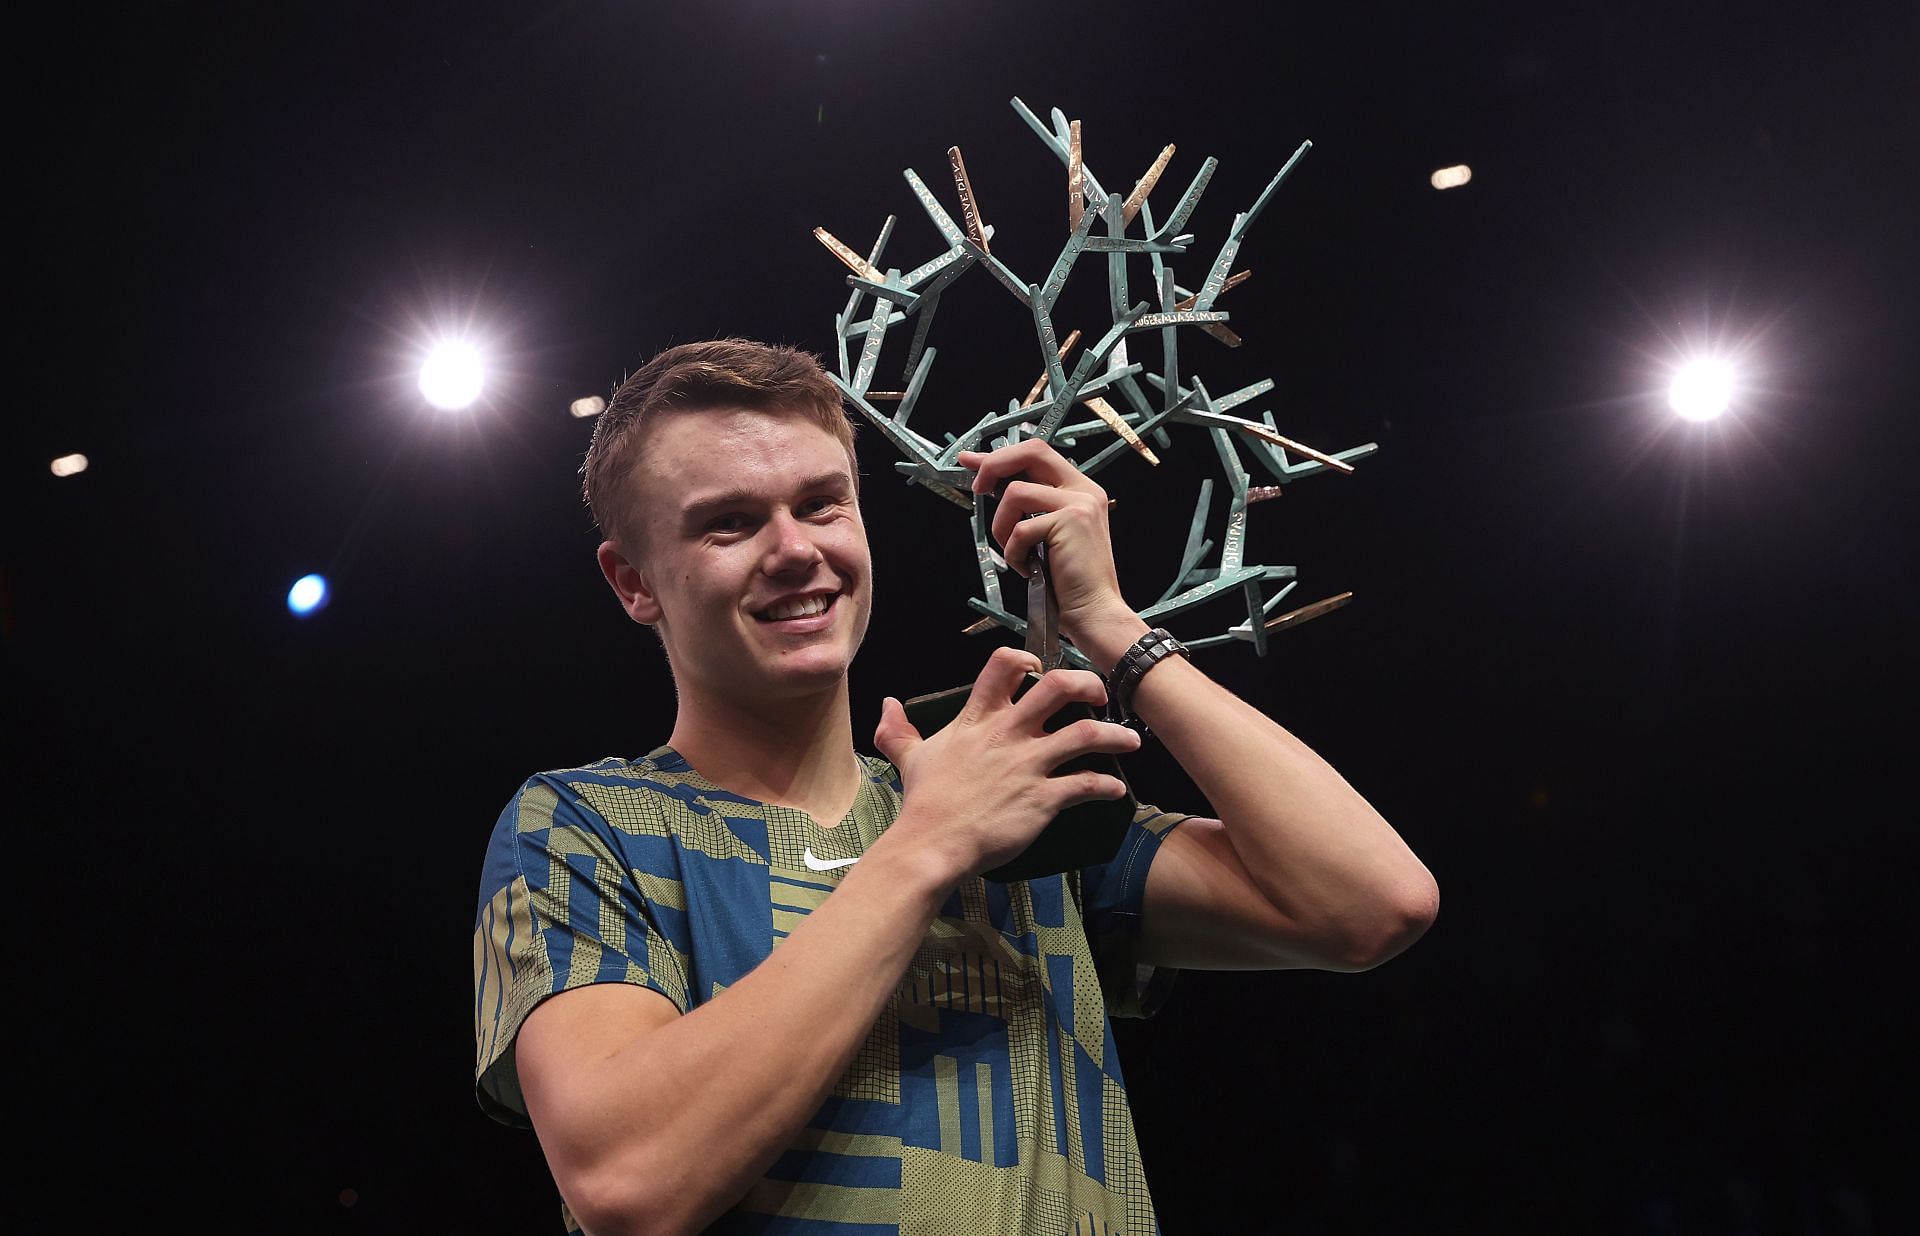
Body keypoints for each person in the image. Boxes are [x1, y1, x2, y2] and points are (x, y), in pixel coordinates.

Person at [472, 337, 1438, 1235]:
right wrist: (927, 847)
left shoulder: (1009, 804)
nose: (797, 548)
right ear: (633, 582)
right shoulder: (588, 824)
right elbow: (625, 1184)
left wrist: (1113, 626)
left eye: (821, 504)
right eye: (729, 523)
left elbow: (1371, 904)